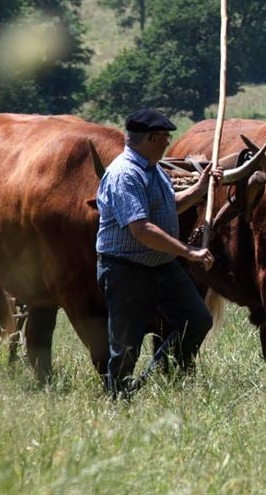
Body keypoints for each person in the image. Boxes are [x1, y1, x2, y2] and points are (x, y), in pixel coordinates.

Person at [96, 108, 218, 397]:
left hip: (162, 267)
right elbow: (141, 229)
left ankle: (153, 379)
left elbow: (169, 206)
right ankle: (119, 398)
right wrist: (188, 251)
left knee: (197, 320)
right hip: (127, 270)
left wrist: (201, 189)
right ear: (151, 138)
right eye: (165, 137)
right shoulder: (125, 174)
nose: (168, 142)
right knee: (126, 344)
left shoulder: (154, 170)